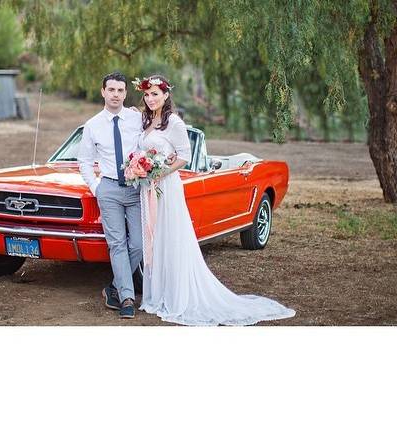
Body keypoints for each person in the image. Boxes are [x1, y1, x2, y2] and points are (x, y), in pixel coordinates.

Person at [133, 75, 296, 326]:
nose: (150, 98)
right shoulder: (145, 120)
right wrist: (139, 169)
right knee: (154, 237)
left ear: (166, 95)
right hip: (148, 188)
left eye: (155, 94)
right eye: (147, 94)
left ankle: (177, 297)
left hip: (166, 186)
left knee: (170, 235)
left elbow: (184, 156)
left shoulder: (174, 122)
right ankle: (158, 294)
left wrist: (159, 173)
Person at [78, 71, 143, 319]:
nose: (115, 94)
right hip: (109, 189)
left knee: (137, 244)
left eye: (120, 90)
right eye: (111, 90)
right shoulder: (92, 125)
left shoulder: (136, 120)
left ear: (126, 93)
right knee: (116, 244)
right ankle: (127, 298)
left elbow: (150, 143)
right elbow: (83, 161)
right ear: (103, 92)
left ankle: (113, 287)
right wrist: (97, 188)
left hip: (135, 188)